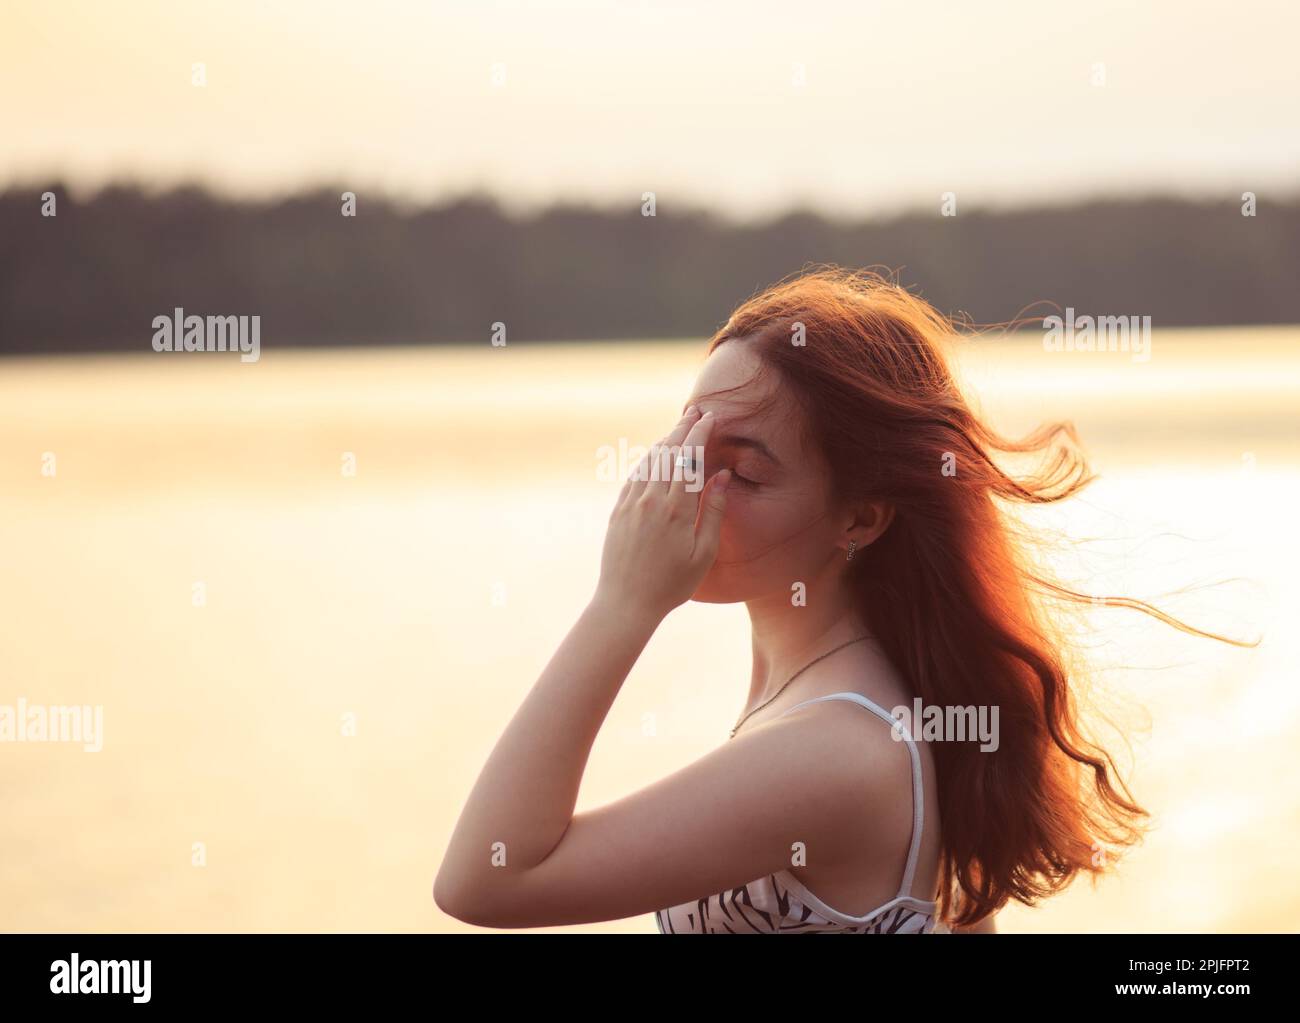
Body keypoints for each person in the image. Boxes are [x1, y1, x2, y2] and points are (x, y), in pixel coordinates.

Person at [434, 266, 1246, 932]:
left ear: (860, 516)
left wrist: (623, 603)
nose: (686, 486)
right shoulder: (847, 694)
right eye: (687, 441)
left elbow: (485, 880)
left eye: (742, 471)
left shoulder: (839, 746)